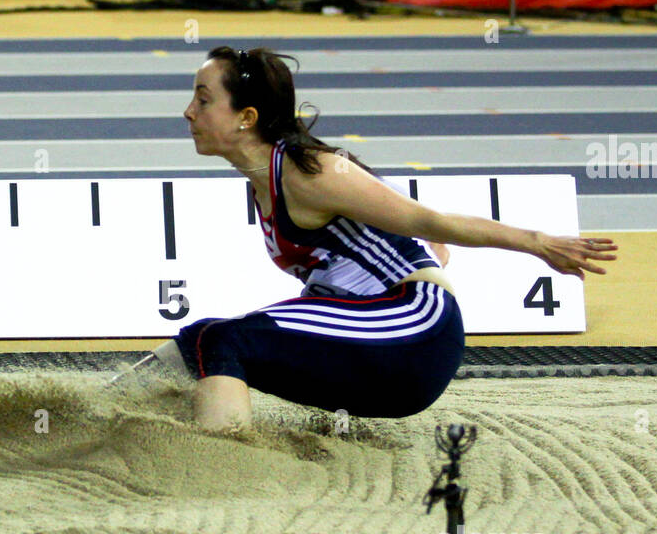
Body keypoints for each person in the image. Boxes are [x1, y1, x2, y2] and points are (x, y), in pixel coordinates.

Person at [131, 45, 616, 432]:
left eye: (203, 98)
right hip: (387, 336)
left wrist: (538, 242)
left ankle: (214, 468)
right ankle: (98, 409)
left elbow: (431, 224)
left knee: (226, 339)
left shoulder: (311, 172)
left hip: (415, 334)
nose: (188, 112)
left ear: (246, 117)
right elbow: (427, 250)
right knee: (201, 339)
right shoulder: (264, 180)